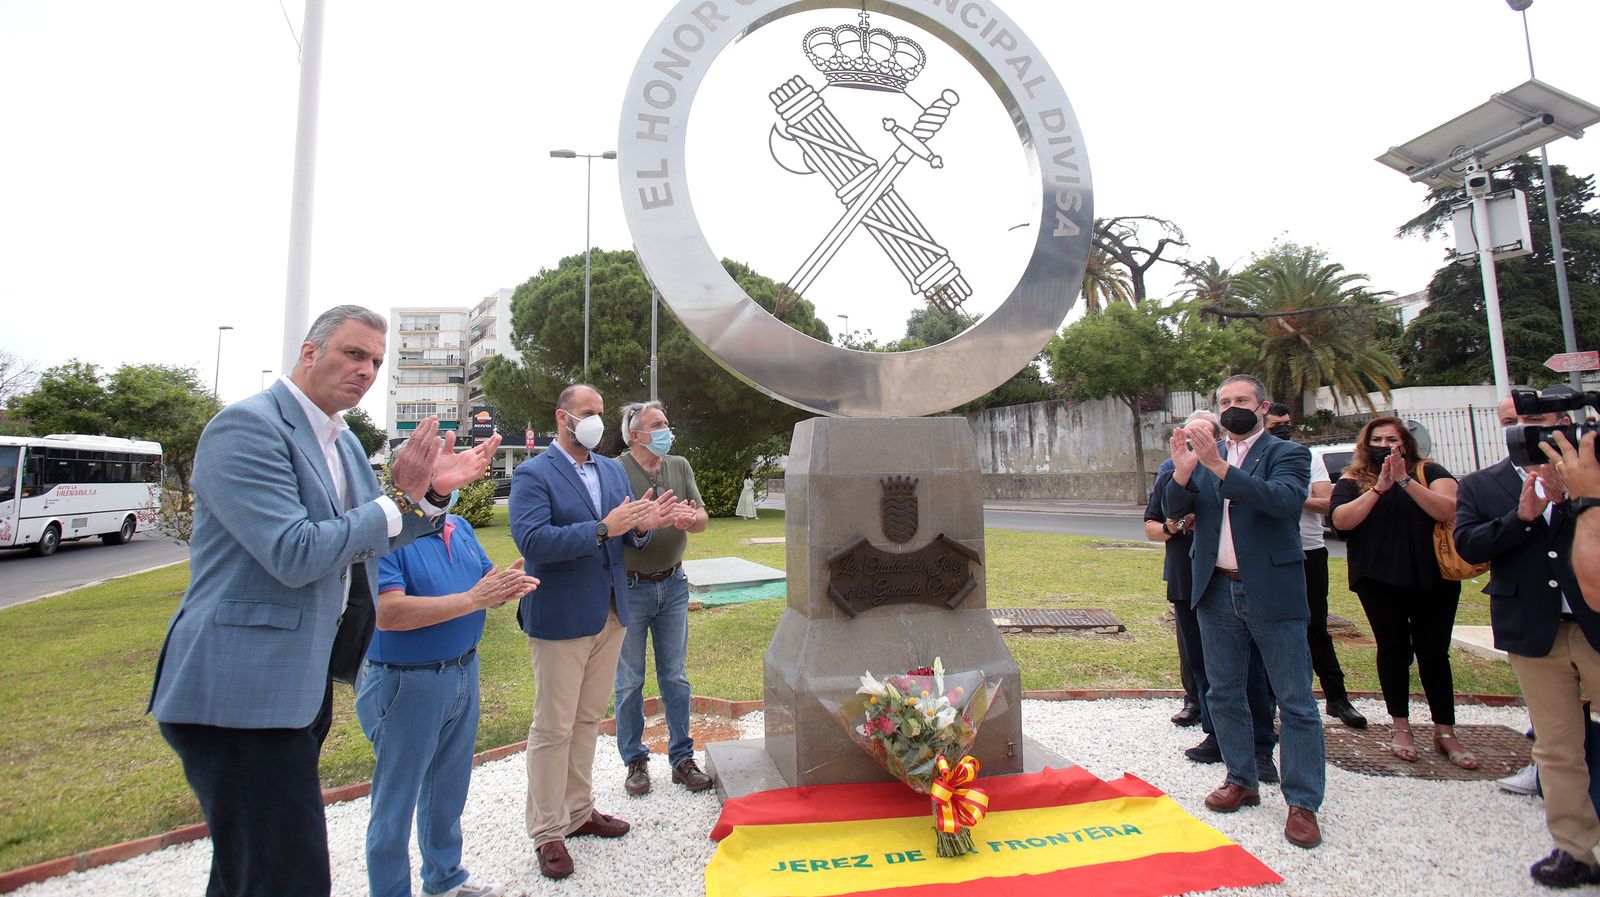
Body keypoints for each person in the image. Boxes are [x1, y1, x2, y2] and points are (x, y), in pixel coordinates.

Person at [148, 305, 500, 897]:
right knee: (286, 872)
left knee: (251, 868)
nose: (367, 370)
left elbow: (377, 534)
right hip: (237, 692)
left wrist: (433, 494)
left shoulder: (342, 445)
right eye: (354, 353)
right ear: (309, 352)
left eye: (377, 362)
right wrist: (404, 499)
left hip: (296, 684)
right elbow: (294, 552)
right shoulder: (247, 428)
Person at [510, 384, 678, 880]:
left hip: (610, 612)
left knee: (586, 722)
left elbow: (626, 533)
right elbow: (533, 539)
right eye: (588, 413)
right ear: (563, 418)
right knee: (552, 727)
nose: (597, 422)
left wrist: (645, 523)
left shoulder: (609, 469)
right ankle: (547, 832)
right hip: (561, 616)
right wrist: (605, 528)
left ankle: (580, 812)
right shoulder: (532, 473)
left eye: (601, 414)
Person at [1163, 374, 1324, 850]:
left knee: (1294, 699)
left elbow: (1283, 502)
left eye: (1241, 400)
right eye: (1225, 401)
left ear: (1262, 406)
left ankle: (1302, 802)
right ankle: (1241, 777)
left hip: (1270, 590)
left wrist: (1218, 466)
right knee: (1224, 691)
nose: (1232, 407)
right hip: (1214, 591)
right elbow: (1174, 512)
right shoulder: (1204, 457)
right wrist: (1182, 472)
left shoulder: (1286, 454)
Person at [1459, 395, 1600, 887]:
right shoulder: (1483, 483)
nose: (1522, 430)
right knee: (1557, 748)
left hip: (1594, 624)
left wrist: (1581, 499)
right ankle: (1574, 848)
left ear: (1565, 423)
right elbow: (1469, 545)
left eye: (1534, 421)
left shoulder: (1595, 473)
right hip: (1534, 629)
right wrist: (1519, 519)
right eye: (1512, 422)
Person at [359, 513, 538, 897]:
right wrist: (473, 599)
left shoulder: (458, 526)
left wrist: (504, 588)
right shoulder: (385, 529)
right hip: (406, 681)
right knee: (396, 801)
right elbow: (388, 614)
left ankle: (444, 881)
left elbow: (485, 582)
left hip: (462, 671)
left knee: (447, 789)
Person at [1329, 416, 1475, 769]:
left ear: (1405, 443)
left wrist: (1404, 480)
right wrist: (1379, 488)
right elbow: (1341, 520)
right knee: (1393, 650)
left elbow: (1448, 509)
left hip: (1432, 577)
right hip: (1378, 577)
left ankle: (1445, 730)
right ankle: (1401, 726)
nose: (1384, 444)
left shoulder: (1430, 471)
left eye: (1391, 438)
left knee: (1434, 653)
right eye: (1376, 439)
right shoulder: (1352, 479)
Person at [1147, 411, 1280, 786]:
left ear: (1219, 439)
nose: (1195, 445)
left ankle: (1260, 747)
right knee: (1210, 669)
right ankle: (1218, 735)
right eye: (1189, 438)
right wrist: (1179, 494)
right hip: (1190, 577)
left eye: (1204, 437)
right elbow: (1160, 516)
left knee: (1251, 669)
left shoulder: (1234, 467)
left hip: (1236, 581)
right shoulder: (1176, 471)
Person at [613, 401, 714, 796]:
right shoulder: (616, 470)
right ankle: (635, 762)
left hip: (674, 586)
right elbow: (610, 525)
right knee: (630, 681)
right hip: (632, 588)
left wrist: (692, 520)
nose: (666, 430)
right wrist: (642, 520)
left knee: (675, 676)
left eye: (667, 424)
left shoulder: (680, 465)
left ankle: (681, 759)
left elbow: (703, 518)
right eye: (657, 425)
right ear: (635, 434)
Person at [1265, 409, 1367, 730]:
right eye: (1275, 425)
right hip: (1267, 552)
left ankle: (1336, 696)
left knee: (1315, 626)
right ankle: (1269, 700)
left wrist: (1291, 495)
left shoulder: (1307, 457)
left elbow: (1327, 503)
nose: (1283, 429)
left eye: (1286, 424)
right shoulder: (1255, 457)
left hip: (1309, 549)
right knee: (1266, 629)